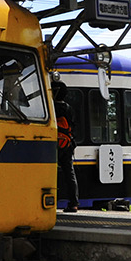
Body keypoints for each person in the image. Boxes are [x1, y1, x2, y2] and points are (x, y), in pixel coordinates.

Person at [52, 81, 79, 213]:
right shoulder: (69, 108)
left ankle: (51, 201)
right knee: (70, 173)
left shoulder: (50, 108)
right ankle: (74, 203)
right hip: (68, 144)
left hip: (53, 144)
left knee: (50, 173)